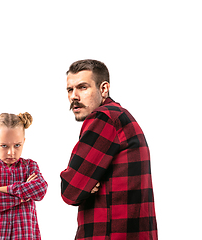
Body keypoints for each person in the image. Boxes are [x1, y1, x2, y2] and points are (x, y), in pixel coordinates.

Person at [60, 59, 158, 239]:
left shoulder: (104, 118)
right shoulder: (120, 116)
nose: (74, 96)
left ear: (103, 89)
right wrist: (88, 184)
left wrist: (87, 185)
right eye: (69, 89)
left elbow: (70, 189)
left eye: (82, 87)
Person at [0, 112, 48, 240]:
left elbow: (40, 189)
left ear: (23, 141)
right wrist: (22, 197)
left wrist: (3, 189)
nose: (11, 152)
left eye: (17, 145)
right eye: (4, 146)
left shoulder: (30, 166)